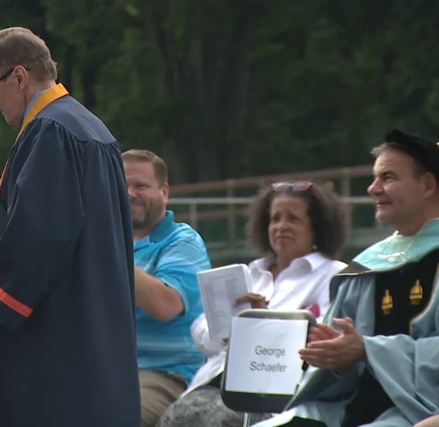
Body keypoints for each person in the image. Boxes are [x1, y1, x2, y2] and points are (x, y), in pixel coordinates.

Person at [0, 27, 140, 426]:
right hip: (98, 319)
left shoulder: (49, 132)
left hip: (63, 331)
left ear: (19, 77)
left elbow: (42, 235)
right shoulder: (91, 128)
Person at [253, 129, 439, 427]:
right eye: (375, 178)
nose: (373, 189)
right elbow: (338, 375)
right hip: (346, 408)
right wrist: (337, 358)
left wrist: (368, 350)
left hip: (418, 412)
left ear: (427, 184)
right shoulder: (367, 267)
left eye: (388, 177)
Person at [158, 180, 349, 427]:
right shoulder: (249, 273)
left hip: (276, 392)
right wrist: (233, 323)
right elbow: (202, 335)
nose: (281, 226)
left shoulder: (334, 276)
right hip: (214, 383)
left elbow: (325, 340)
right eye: (275, 219)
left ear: (317, 227)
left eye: (293, 218)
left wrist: (264, 326)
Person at [122, 149, 212, 426]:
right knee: (0, 414)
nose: (129, 193)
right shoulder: (101, 242)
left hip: (166, 375)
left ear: (164, 192)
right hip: (103, 370)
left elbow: (166, 305)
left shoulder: (183, 242)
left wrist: (110, 247)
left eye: (141, 186)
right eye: (121, 185)